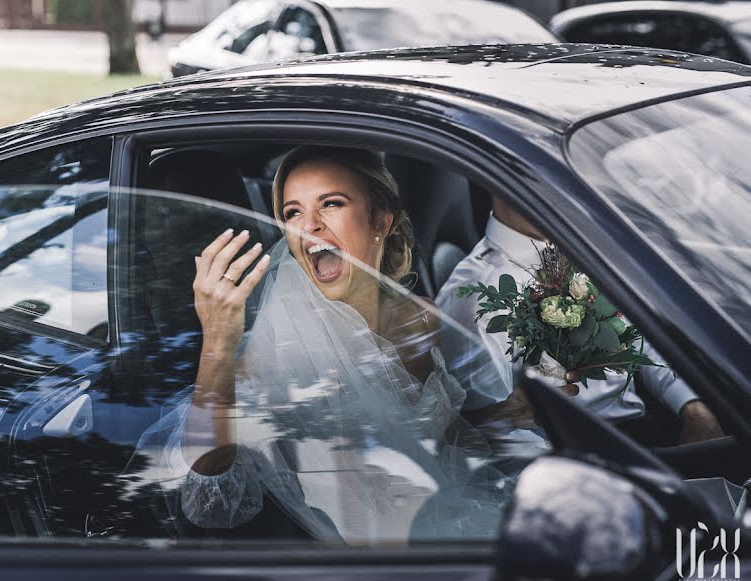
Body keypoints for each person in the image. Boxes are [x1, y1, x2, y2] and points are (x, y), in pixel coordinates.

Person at [123, 147, 513, 543]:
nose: (309, 226)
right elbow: (209, 488)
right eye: (292, 213)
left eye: (330, 204)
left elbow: (439, 443)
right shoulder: (277, 350)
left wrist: (514, 410)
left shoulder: (423, 317)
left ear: (380, 219)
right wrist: (219, 341)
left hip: (455, 522)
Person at [436, 195, 724, 445]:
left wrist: (690, 404)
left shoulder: (581, 243)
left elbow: (636, 331)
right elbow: (490, 443)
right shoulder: (478, 300)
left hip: (646, 423)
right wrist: (528, 409)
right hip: (579, 460)